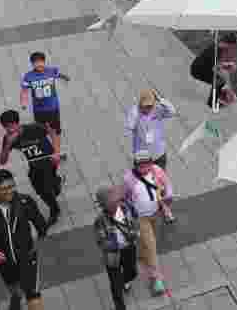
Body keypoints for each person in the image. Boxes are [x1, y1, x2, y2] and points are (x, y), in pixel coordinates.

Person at [0, 169, 48, 310]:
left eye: (12, 186)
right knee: (15, 289)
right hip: (4, 262)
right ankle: (16, 298)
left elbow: (40, 225)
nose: (10, 191)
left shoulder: (24, 201)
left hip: (28, 259)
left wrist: (37, 240)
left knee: (33, 296)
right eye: (4, 188)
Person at [0, 109, 64, 227]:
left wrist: (56, 152)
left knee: (46, 189)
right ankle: (56, 185)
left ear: (17, 123)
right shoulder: (8, 138)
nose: (9, 130)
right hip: (34, 165)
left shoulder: (34, 128)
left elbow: (52, 132)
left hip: (48, 161)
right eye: (6, 127)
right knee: (40, 189)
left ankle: (55, 210)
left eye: (11, 126)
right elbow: (3, 161)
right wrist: (8, 144)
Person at [123, 150, 174, 297]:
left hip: (156, 213)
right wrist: (129, 212)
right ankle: (156, 279)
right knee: (151, 246)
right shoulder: (129, 179)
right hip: (141, 218)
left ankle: (143, 254)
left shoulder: (156, 170)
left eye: (147, 164)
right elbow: (125, 198)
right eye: (141, 165)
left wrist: (169, 195)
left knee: (150, 242)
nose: (145, 168)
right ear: (136, 166)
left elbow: (167, 183)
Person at [94, 185, 140, 310]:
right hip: (112, 256)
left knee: (132, 273)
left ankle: (124, 281)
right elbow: (101, 241)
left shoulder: (127, 208)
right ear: (103, 206)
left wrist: (135, 233)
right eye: (108, 204)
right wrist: (115, 244)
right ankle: (119, 305)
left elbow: (136, 219)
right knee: (115, 285)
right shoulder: (100, 220)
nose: (112, 206)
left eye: (114, 202)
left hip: (128, 248)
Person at [20, 51, 71, 160]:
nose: (38, 64)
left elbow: (58, 74)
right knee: (41, 131)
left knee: (55, 131)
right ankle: (47, 151)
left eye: (40, 62)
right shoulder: (28, 76)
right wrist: (24, 102)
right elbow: (24, 90)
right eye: (35, 63)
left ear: (44, 62)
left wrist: (65, 77)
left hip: (52, 108)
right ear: (32, 64)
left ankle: (57, 153)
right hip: (39, 110)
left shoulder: (51, 71)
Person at [123, 88, 178, 169]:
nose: (148, 108)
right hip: (142, 155)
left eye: (150, 105)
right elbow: (128, 128)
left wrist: (161, 100)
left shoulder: (158, 109)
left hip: (158, 152)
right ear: (140, 104)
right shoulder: (134, 112)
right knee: (143, 179)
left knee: (159, 178)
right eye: (146, 106)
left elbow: (172, 112)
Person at [189, 33, 237, 109]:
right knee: (219, 81)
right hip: (197, 71)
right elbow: (217, 69)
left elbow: (216, 64)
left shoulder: (218, 47)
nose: (230, 48)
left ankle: (220, 95)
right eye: (231, 46)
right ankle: (212, 103)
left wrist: (228, 65)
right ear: (228, 44)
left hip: (202, 68)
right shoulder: (216, 51)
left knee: (220, 81)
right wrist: (229, 87)